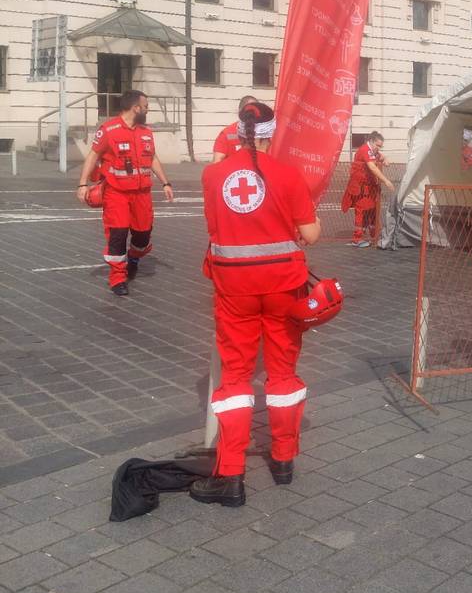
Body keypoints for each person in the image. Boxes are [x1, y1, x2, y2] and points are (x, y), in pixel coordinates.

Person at [193, 100, 320, 507]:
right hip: (284, 286)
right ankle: (283, 460)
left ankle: (231, 475)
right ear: (270, 134)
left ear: (239, 131)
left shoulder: (213, 175)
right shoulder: (287, 174)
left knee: (235, 379)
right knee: (282, 374)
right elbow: (311, 234)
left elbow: (216, 230)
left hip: (235, 290)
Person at [76, 90, 175, 297]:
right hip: (116, 193)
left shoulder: (146, 131)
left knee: (143, 234)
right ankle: (117, 278)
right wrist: (82, 184)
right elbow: (93, 156)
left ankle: (134, 259)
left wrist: (165, 183)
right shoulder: (109, 130)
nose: (148, 110)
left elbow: (153, 158)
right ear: (136, 108)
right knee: (118, 234)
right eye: (146, 106)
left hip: (142, 193)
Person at [340, 131, 393, 247]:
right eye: (378, 146)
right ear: (371, 142)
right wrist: (386, 181)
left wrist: (384, 157)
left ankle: (374, 235)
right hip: (361, 189)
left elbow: (383, 159)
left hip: (369, 188)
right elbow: (372, 167)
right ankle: (357, 238)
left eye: (380, 146)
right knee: (361, 211)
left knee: (372, 211)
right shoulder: (365, 150)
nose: (378, 148)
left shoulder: (372, 151)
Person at [211, 95, 258, 163]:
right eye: (249, 110)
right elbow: (217, 162)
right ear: (240, 111)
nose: (252, 113)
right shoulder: (227, 133)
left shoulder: (262, 133)